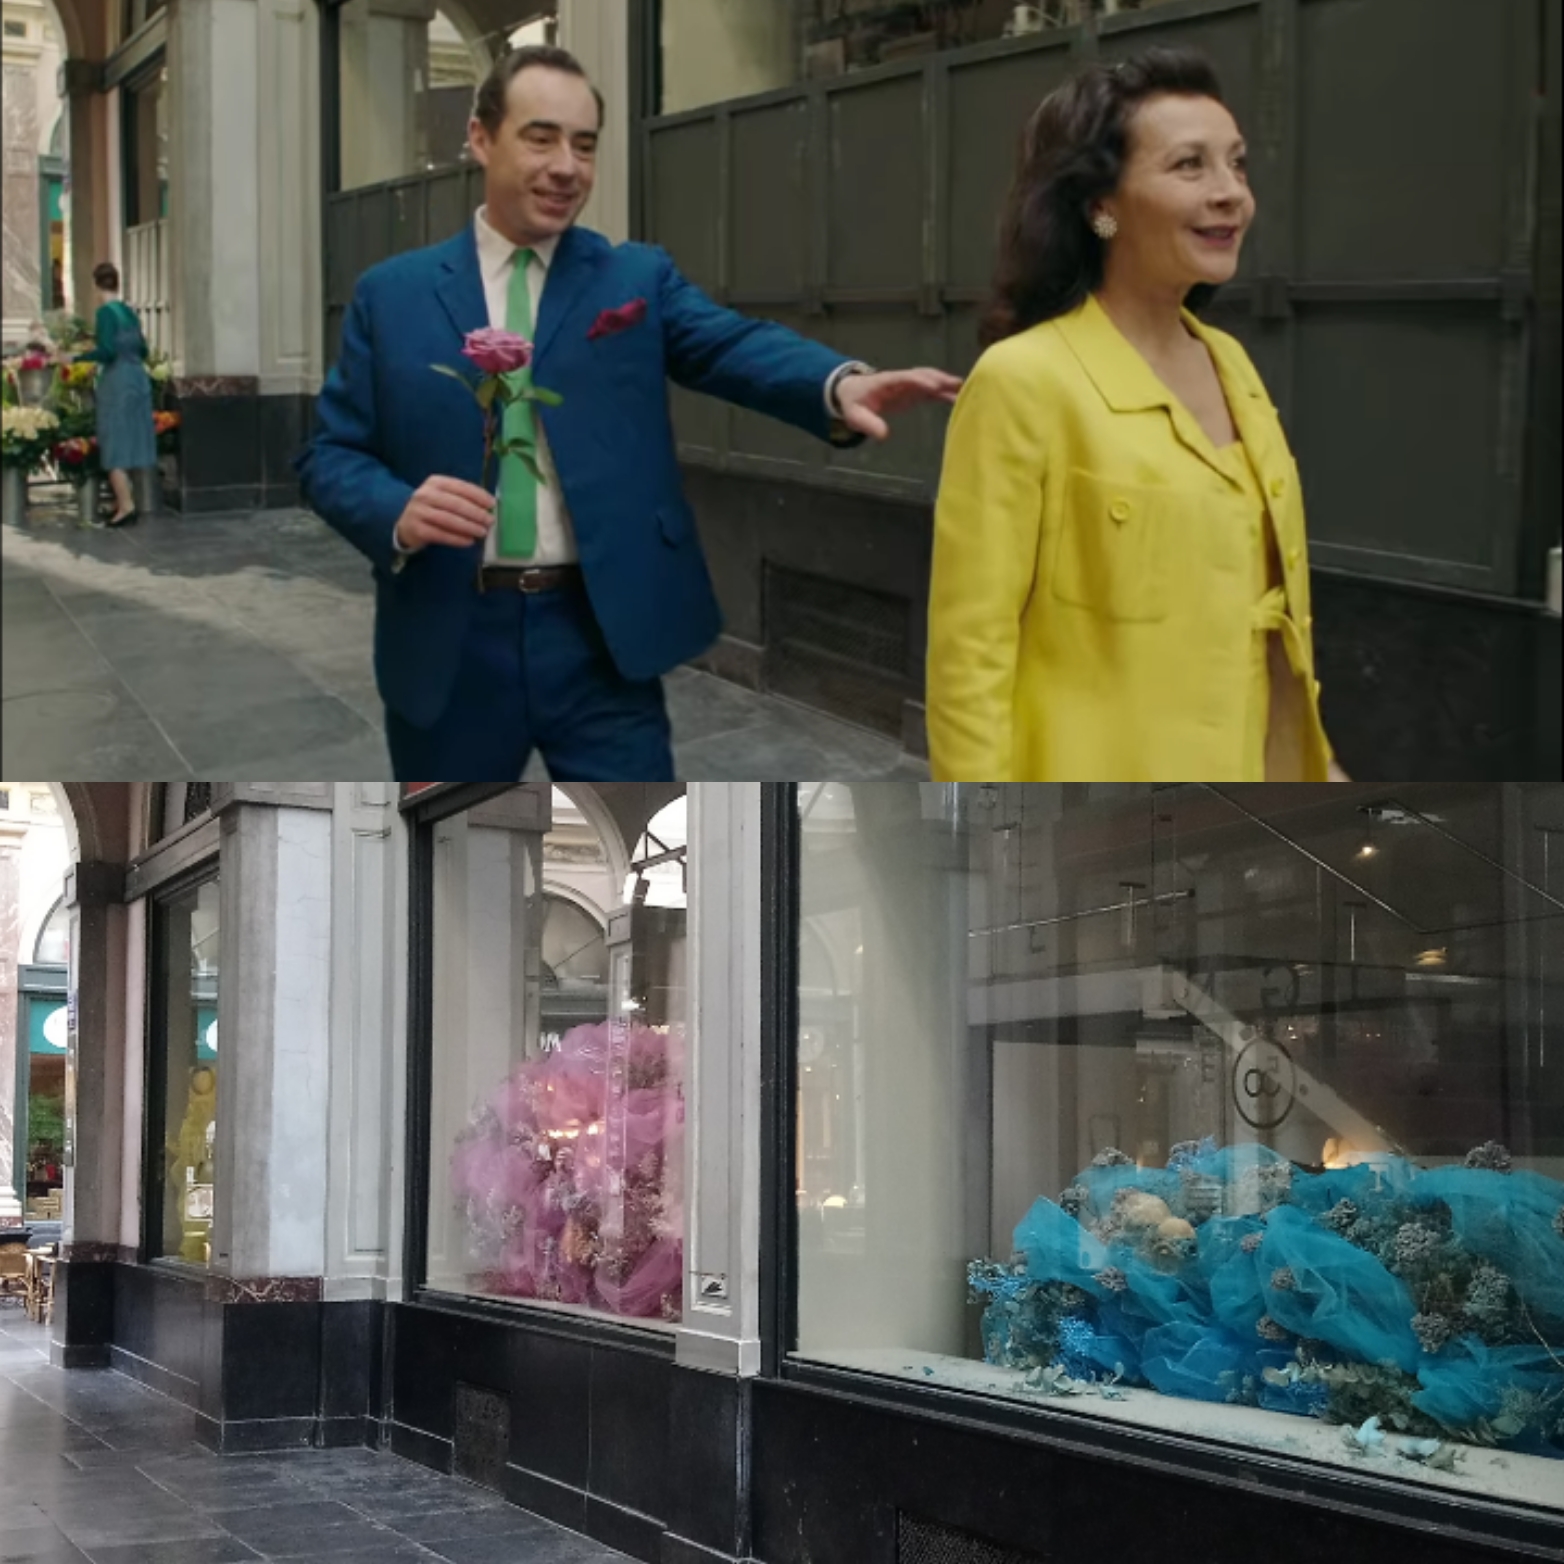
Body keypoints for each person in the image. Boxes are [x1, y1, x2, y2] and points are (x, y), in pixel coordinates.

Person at [298, 44, 962, 782]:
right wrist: (395, 508)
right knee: (449, 861)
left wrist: (834, 384)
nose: (566, 167)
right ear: (481, 138)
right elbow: (330, 457)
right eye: (541, 137)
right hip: (450, 643)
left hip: (600, 638)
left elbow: (731, 344)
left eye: (584, 146)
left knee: (644, 855)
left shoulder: (633, 276)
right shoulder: (392, 295)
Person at [926, 48, 1347, 782]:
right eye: (1190, 165)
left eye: (1238, 165)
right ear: (1101, 205)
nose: (1231, 195)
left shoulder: (1232, 365)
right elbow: (969, 658)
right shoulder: (1024, 382)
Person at [75, 262, 156, 527]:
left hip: (117, 381)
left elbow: (107, 351)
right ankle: (121, 501)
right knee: (132, 439)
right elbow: (143, 349)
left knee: (114, 440)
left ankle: (127, 506)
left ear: (96, 285)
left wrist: (76, 357)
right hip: (138, 379)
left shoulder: (105, 314)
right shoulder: (127, 312)